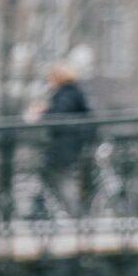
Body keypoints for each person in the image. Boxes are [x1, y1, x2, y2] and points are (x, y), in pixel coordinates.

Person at [36, 63, 93, 206]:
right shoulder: (74, 92)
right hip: (71, 144)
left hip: (65, 146)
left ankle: (71, 214)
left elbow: (58, 116)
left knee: (62, 179)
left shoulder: (64, 94)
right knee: (58, 178)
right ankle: (43, 208)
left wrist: (44, 112)